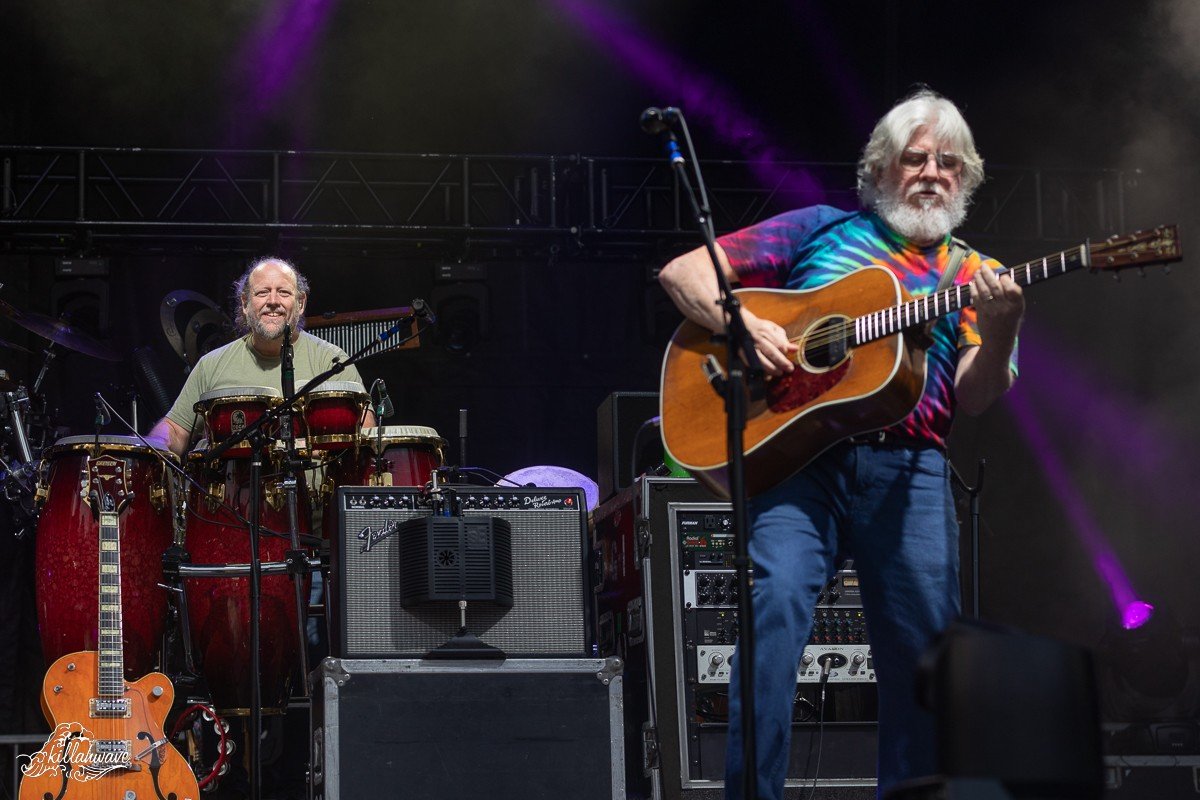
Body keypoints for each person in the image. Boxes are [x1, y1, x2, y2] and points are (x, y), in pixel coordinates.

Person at [657, 89, 1024, 798]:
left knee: (925, 655)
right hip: (804, 467)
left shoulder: (975, 275)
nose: (932, 173)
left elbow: (976, 395)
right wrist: (741, 325)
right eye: (915, 159)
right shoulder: (818, 231)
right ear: (880, 170)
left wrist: (1003, 325)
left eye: (949, 164)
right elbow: (684, 274)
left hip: (911, 471)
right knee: (772, 608)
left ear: (967, 179)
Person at [148, 257, 373, 457]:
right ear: (245, 303)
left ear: (300, 303)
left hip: (316, 493)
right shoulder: (211, 365)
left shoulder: (332, 361)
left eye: (283, 292)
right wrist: (155, 444)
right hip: (233, 492)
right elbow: (176, 429)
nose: (273, 301)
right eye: (262, 292)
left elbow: (366, 433)